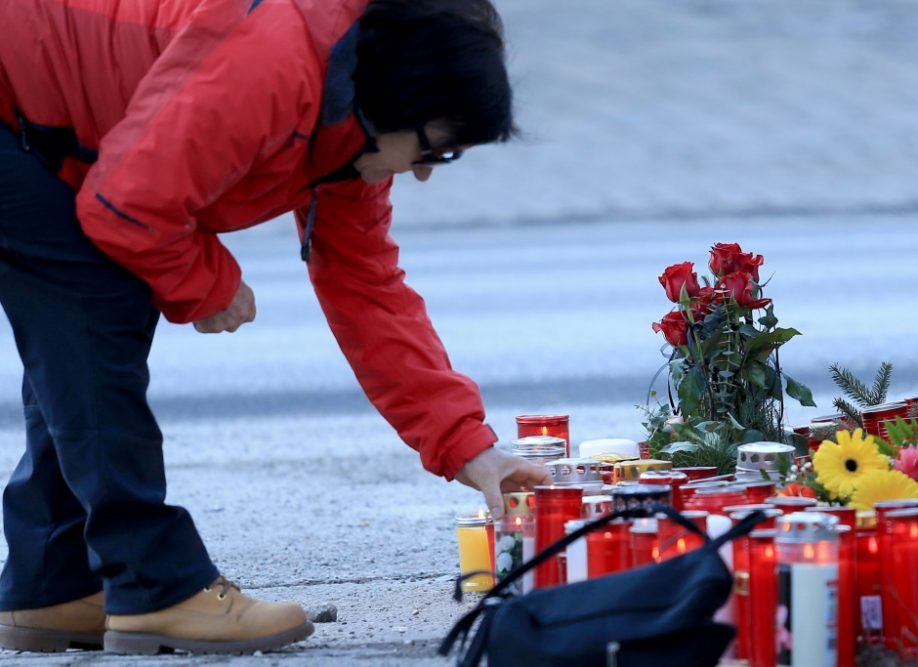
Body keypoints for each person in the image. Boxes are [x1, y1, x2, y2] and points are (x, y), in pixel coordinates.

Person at [0, 0, 551, 655]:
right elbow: (127, 205)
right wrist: (210, 283)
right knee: (98, 301)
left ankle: (53, 580)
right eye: (436, 147)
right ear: (402, 89)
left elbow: (369, 292)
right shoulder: (275, 60)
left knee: (88, 314)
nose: (426, 171)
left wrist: (468, 445)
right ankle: (157, 587)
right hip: (11, 99)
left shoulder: (350, 127)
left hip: (42, 124)